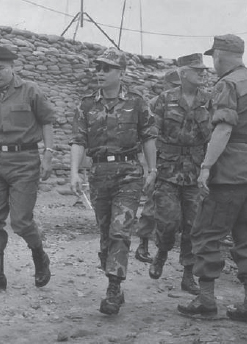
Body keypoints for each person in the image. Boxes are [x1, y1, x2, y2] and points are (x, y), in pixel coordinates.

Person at [177, 34, 247, 326]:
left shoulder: (227, 84)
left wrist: (207, 167)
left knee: (207, 232)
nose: (212, 63)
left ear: (220, 55)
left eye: (213, 57)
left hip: (229, 171)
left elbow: (223, 128)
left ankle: (206, 301)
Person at [69, 48, 157, 315]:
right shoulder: (86, 105)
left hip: (129, 173)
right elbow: (78, 140)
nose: (100, 73)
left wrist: (152, 169)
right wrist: (74, 172)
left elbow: (148, 136)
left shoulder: (137, 102)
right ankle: (114, 281)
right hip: (99, 174)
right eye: (98, 68)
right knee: (106, 232)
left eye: (106, 69)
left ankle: (113, 289)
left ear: (121, 73)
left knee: (120, 231)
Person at [0, 45, 55, 292]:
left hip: (25, 162)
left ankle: (40, 257)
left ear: (12, 67)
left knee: (21, 221)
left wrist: (48, 154)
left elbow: (47, 122)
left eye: (0, 68)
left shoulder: (30, 91)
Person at [147, 54, 211, 296]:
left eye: (204, 70)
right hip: (167, 169)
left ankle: (187, 275)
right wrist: (150, 168)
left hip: (196, 171)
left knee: (194, 225)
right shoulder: (164, 100)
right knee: (168, 222)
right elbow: (151, 135)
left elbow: (214, 137)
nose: (203, 74)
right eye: (197, 70)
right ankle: (162, 252)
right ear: (183, 74)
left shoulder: (209, 101)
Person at [134, 70, 181, 263]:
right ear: (166, 85)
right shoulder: (155, 104)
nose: (178, 89)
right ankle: (143, 243)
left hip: (183, 162)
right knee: (153, 202)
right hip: (160, 159)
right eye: (175, 85)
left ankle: (168, 244)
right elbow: (147, 135)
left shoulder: (190, 103)